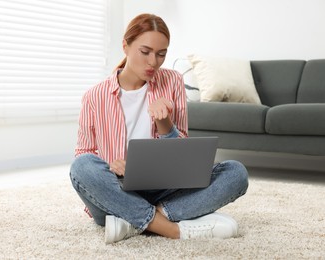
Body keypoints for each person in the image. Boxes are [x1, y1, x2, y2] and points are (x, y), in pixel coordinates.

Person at [69, 13, 249, 244]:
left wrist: (165, 126)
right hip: (117, 191)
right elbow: (84, 153)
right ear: (126, 46)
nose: (153, 62)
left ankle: (134, 220)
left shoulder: (172, 81)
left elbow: (184, 158)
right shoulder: (95, 96)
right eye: (145, 52)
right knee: (81, 167)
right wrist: (110, 166)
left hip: (165, 190)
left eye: (161, 54)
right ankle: (174, 229)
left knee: (236, 173)